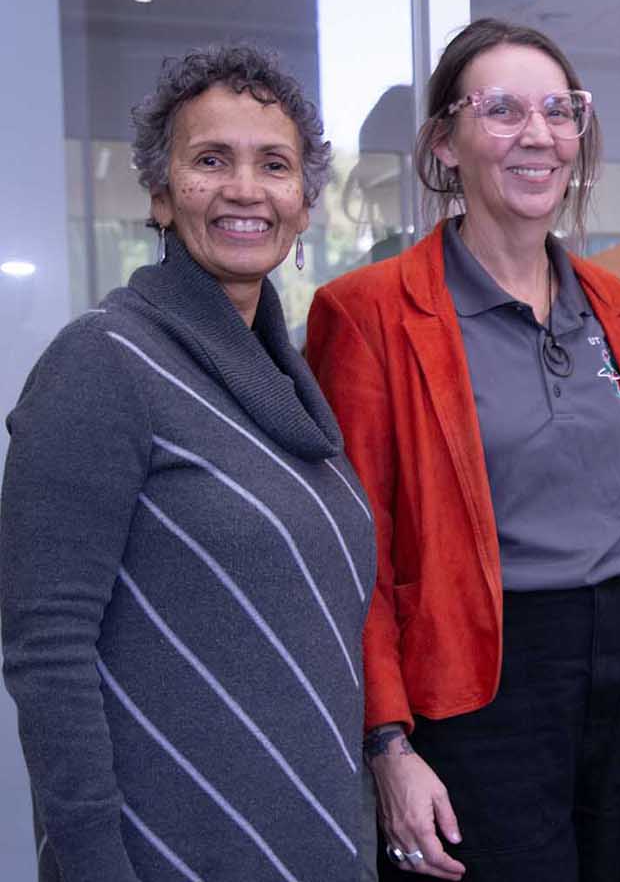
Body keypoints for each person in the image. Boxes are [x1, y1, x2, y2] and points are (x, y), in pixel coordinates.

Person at [303, 17, 620, 882]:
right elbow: (353, 555)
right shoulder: (368, 314)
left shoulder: (609, 301)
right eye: (501, 109)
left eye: (559, 111)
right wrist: (386, 742)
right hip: (474, 681)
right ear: (444, 144)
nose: (538, 134)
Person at [1, 43, 372, 881]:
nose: (246, 188)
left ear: (304, 205)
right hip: (166, 851)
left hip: (306, 841)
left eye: (273, 165)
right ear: (162, 194)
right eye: (211, 160)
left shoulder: (286, 384)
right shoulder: (102, 364)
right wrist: (95, 862)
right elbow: (46, 647)